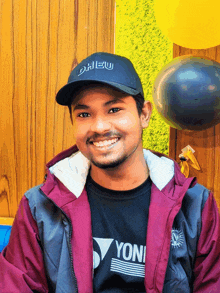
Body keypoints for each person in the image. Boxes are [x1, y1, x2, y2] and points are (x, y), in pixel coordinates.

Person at [0, 52, 220, 293]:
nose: (100, 126)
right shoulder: (39, 206)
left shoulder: (195, 205)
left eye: (114, 109)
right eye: (84, 114)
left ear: (144, 114)